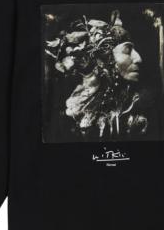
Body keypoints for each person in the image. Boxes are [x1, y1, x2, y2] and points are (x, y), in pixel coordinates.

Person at [44, 9, 149, 139]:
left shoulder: (134, 110)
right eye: (127, 50)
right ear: (106, 58)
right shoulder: (71, 111)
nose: (138, 58)